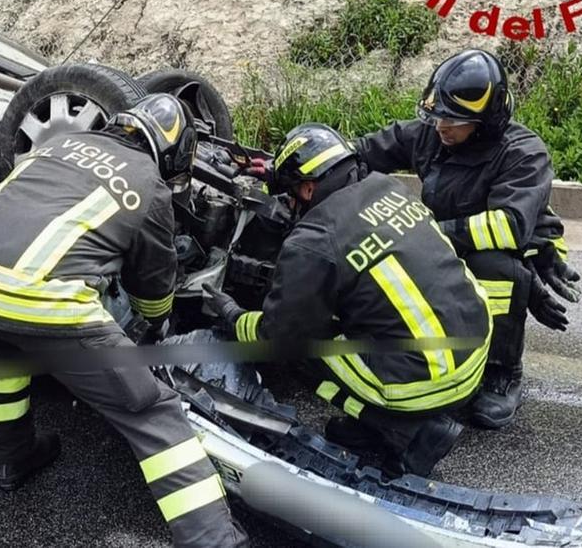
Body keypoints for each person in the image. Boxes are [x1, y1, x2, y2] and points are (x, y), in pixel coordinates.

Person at [0, 94, 249, 547]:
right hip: (39, 297)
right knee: (150, 409)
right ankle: (214, 540)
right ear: (174, 150)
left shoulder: (60, 146)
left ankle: (12, 459)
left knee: (7, 348)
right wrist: (153, 328)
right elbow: (154, 286)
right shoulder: (149, 183)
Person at [205, 123, 493, 478]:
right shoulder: (390, 188)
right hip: (476, 347)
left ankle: (404, 432)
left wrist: (233, 315)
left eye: (291, 195)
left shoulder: (314, 239)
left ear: (308, 187)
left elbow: (280, 338)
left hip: (429, 382)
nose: (289, 205)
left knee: (301, 351)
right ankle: (383, 417)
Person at [355, 48, 582, 430]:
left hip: (514, 249)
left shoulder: (523, 153)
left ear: (486, 121)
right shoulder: (433, 135)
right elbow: (367, 151)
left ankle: (501, 371)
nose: (441, 126)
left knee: (498, 271)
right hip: (441, 242)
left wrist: (421, 235)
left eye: (454, 119)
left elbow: (509, 227)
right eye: (437, 115)